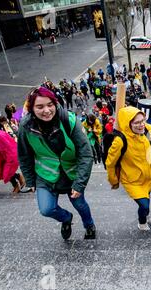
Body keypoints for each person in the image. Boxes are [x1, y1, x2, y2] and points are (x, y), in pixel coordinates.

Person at [18, 87, 96, 240]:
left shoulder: (69, 120)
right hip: (45, 174)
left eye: (49, 105)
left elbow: (86, 154)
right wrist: (30, 179)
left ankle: (89, 225)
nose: (46, 110)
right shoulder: (25, 126)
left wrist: (79, 183)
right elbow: (24, 155)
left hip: (71, 174)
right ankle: (66, 218)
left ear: (55, 103)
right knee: (46, 209)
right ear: (32, 108)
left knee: (80, 204)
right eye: (39, 107)